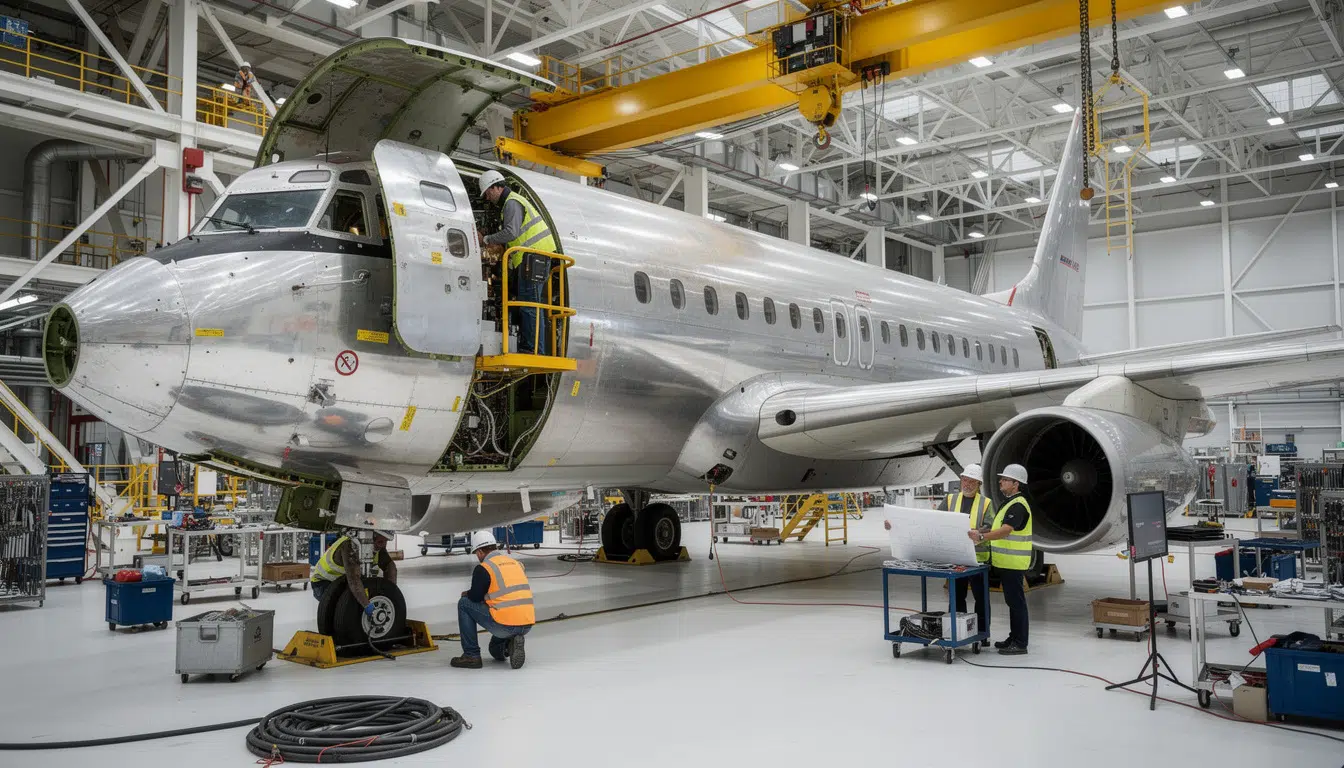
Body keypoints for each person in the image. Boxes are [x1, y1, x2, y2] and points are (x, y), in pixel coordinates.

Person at [478, 169, 556, 355]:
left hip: (534, 256)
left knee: (530, 304)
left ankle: (534, 349)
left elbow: (511, 232)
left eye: (488, 193)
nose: (488, 198)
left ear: (496, 187)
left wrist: (486, 239)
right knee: (529, 303)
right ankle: (534, 347)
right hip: (531, 257)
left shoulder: (512, 203)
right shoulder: (512, 203)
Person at [970, 464, 1033, 655]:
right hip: (1005, 563)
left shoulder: (1018, 505)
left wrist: (982, 538)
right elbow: (998, 526)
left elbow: (1006, 530)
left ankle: (1020, 643)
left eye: (1005, 480)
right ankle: (1013, 637)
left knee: (1016, 603)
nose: (1001, 482)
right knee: (1012, 602)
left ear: (1016, 484)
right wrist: (981, 531)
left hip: (1013, 564)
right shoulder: (1009, 502)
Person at [451, 530, 535, 670]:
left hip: (506, 624)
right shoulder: (516, 563)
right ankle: (509, 646)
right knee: (494, 651)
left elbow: (475, 597)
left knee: (464, 603)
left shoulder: (485, 567)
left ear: (479, 552)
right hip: (526, 624)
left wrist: (467, 594)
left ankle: (471, 655)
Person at [310, 530, 398, 621]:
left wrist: (390, 595)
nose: (383, 546)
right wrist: (367, 606)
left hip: (343, 583)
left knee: (361, 600)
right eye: (380, 542)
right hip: (322, 583)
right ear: (370, 538)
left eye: (386, 541)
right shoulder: (349, 547)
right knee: (347, 609)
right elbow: (354, 580)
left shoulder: (376, 547)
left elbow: (390, 567)